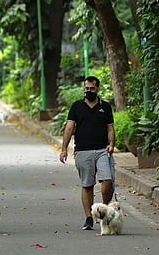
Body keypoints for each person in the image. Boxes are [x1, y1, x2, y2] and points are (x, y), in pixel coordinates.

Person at [59, 76, 115, 231]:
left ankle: (103, 210)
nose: (88, 91)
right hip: (83, 151)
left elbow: (110, 128)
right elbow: (69, 128)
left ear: (97, 89)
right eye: (86, 89)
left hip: (102, 150)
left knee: (107, 180)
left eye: (92, 88)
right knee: (87, 185)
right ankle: (89, 217)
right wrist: (64, 149)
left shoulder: (105, 107)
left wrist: (111, 144)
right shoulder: (76, 106)